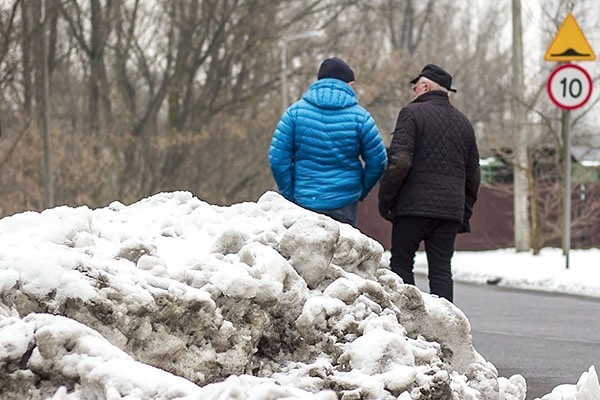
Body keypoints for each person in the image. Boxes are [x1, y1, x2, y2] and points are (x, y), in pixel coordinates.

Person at [378, 64, 480, 303]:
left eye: (415, 88)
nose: (413, 93)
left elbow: (400, 162)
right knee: (441, 270)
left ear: (424, 87)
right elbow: (474, 173)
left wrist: (387, 199)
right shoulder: (464, 123)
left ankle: (407, 324)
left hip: (412, 208)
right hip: (448, 212)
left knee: (402, 264)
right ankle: (446, 327)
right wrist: (463, 212)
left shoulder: (411, 114)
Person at [269, 57, 387, 227]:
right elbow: (378, 161)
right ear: (347, 84)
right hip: (345, 201)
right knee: (342, 252)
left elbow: (277, 160)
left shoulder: (294, 114)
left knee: (307, 252)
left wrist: (290, 193)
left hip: (305, 201)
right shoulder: (361, 118)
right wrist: (360, 189)